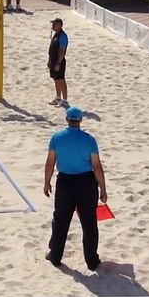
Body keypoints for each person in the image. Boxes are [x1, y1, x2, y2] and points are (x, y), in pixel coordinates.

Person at [44, 105, 106, 272]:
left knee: (61, 221)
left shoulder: (57, 138)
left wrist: (47, 182)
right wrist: (103, 190)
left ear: (67, 120)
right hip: (86, 183)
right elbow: (97, 167)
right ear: (80, 121)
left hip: (65, 183)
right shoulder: (89, 140)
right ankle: (92, 261)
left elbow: (50, 162)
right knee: (89, 223)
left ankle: (55, 255)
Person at [49, 18, 70, 108]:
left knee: (61, 80)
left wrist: (58, 63)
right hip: (53, 60)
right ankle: (58, 97)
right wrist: (50, 61)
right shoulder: (56, 35)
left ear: (60, 25)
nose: (53, 26)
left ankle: (65, 100)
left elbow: (62, 51)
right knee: (55, 79)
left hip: (59, 61)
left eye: (55, 24)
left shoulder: (63, 36)